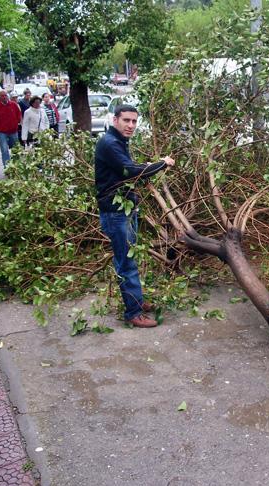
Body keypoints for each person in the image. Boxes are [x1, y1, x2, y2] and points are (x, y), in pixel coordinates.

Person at [95, 105, 175, 328]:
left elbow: (126, 170)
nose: (130, 125)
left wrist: (149, 166)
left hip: (125, 209)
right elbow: (130, 171)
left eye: (134, 121)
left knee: (130, 258)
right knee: (126, 262)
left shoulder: (118, 141)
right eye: (126, 120)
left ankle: (136, 300)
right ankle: (133, 313)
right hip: (116, 212)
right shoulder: (110, 143)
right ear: (115, 120)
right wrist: (161, 164)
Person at [0, 90, 22, 168]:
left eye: (5, 95)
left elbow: (19, 115)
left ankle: (16, 166)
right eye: (2, 96)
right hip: (2, 132)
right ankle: (7, 167)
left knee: (16, 149)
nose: (4, 97)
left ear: (7, 96)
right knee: (4, 150)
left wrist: (17, 124)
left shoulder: (13, 105)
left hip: (13, 131)